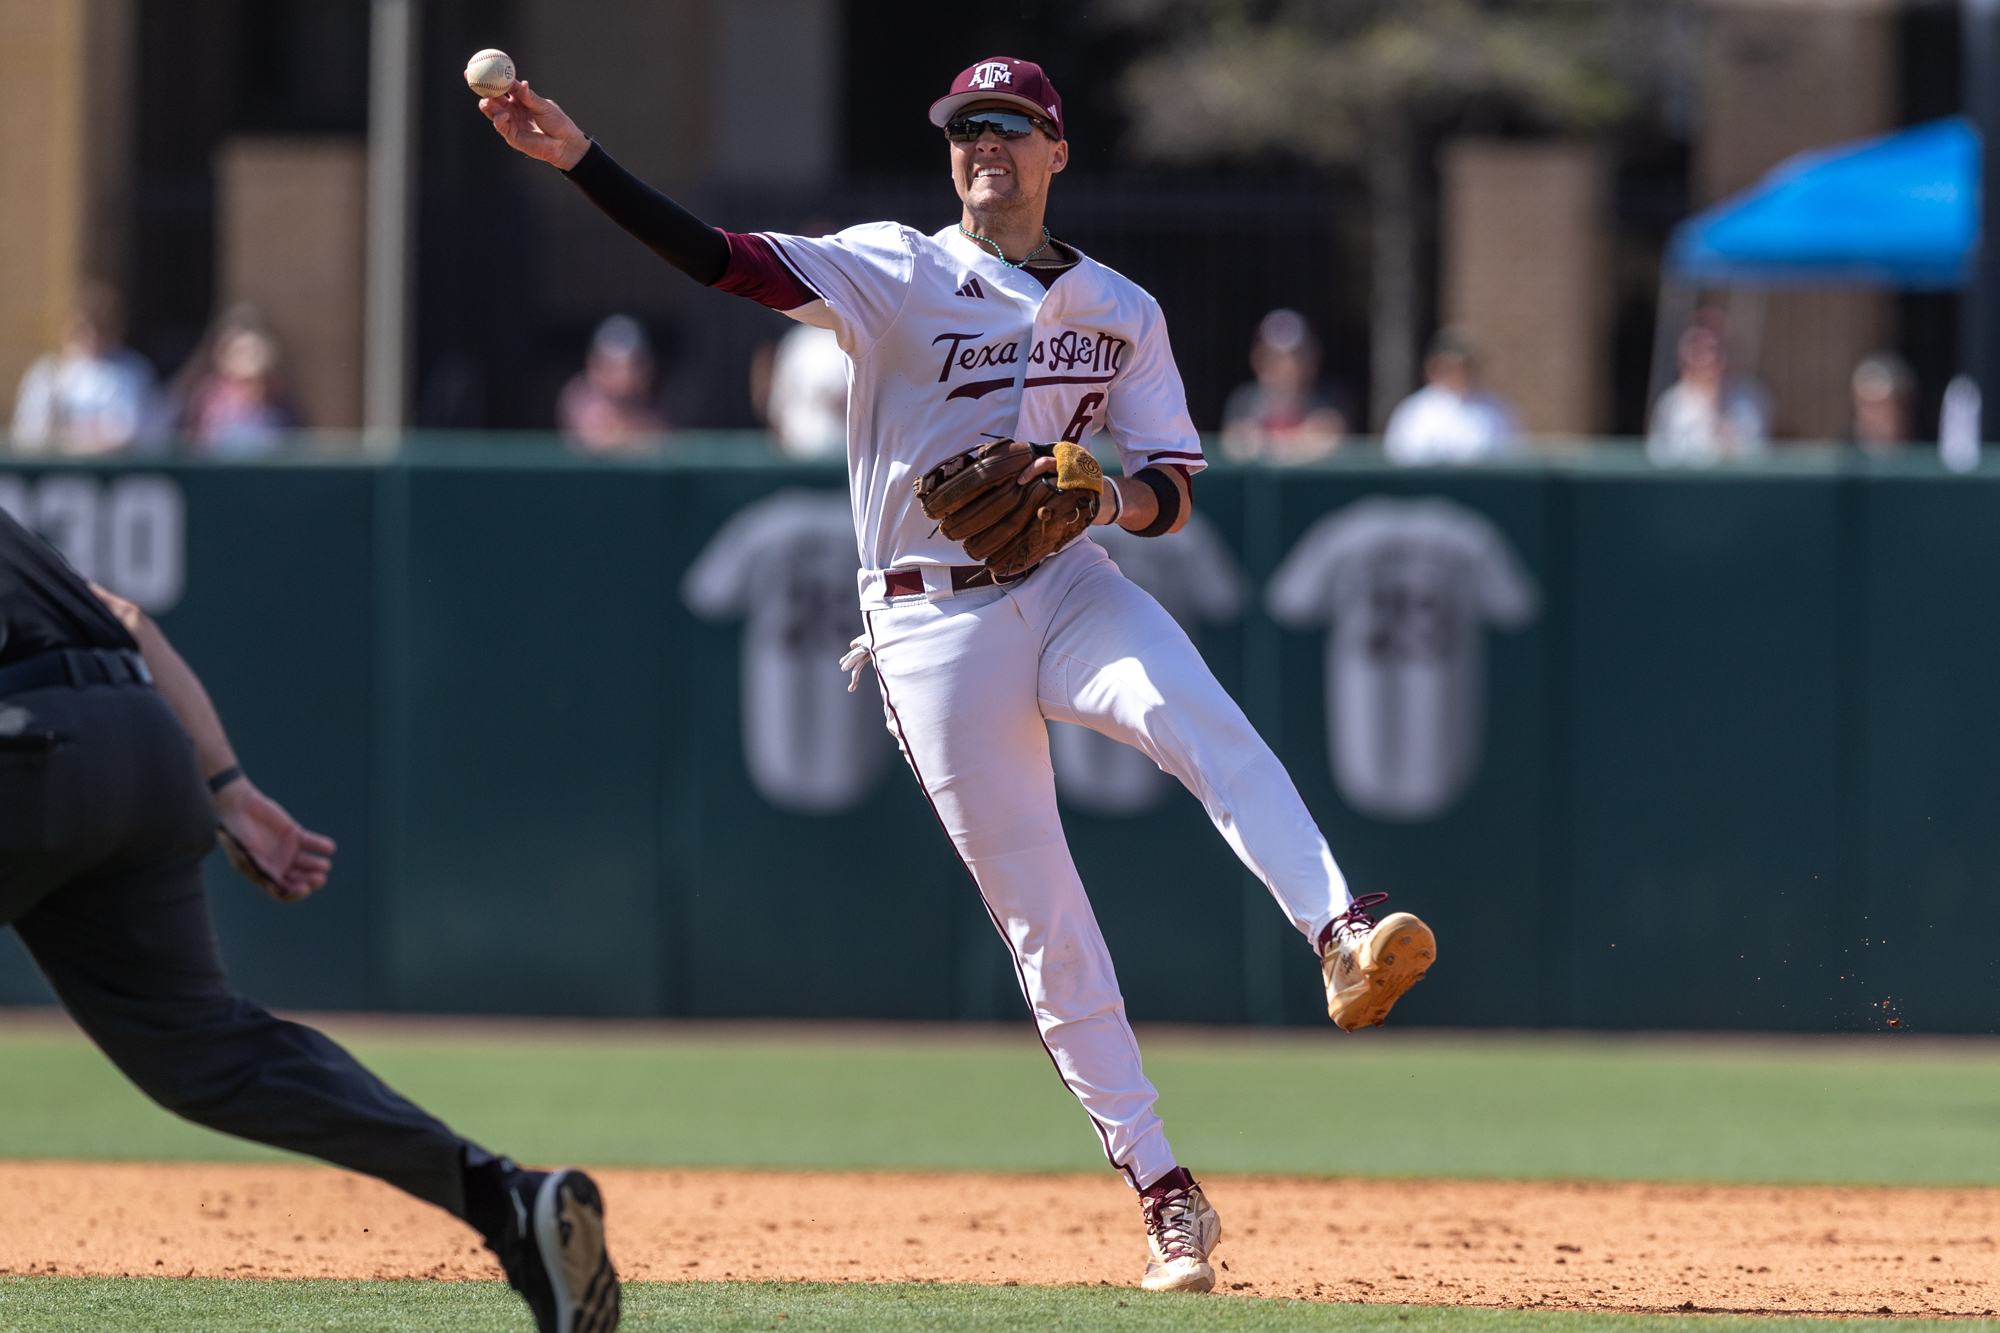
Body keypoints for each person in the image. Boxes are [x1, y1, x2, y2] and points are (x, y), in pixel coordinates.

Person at [479, 54, 1437, 1295]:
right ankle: (1164, 1193)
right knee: (1045, 916)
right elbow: (725, 259)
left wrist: (1111, 494)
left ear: (1055, 151)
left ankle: (1341, 933)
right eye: (965, 128)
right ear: (950, 155)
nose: (984, 143)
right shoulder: (895, 266)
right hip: (927, 624)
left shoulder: (1119, 308)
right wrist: (580, 163)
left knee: (1202, 717)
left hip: (1066, 580)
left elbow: (1172, 490)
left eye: (1009, 126)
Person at [0, 510, 620, 1332]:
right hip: (148, 742)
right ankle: (507, 1201)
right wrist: (228, 789)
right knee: (209, 1048)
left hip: (28, 744)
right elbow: (129, 619)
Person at [10, 284, 161, 457]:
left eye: (100, 327)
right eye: (83, 328)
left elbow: (124, 435)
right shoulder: (47, 373)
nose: (91, 336)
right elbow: (28, 435)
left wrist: (66, 437)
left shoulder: (132, 371)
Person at [1219, 309, 1346, 462]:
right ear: (1257, 358)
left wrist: (1265, 444)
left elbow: (1328, 436)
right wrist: (1296, 442)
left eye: (1295, 356)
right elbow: (1234, 443)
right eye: (1273, 356)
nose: (1285, 365)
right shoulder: (1245, 399)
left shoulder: (1329, 397)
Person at [1382, 327, 1519, 465]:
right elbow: (1398, 458)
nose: (1458, 373)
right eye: (1449, 365)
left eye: (1465, 366)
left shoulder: (1496, 411)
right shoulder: (1415, 411)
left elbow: (1510, 458)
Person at [1647, 314, 1769, 467]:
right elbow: (1660, 456)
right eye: (1700, 350)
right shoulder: (1672, 401)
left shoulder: (1751, 396)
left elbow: (1754, 453)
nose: (1710, 358)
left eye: (1716, 349)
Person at [181, 310, 300, 457]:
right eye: (240, 352)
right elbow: (191, 448)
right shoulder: (207, 401)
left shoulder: (282, 402)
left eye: (254, 352)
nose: (248, 360)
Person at [557, 315, 669, 454]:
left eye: (633, 366)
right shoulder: (579, 393)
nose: (624, 375)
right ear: (593, 363)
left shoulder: (650, 400)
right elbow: (597, 438)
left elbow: (664, 442)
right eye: (612, 366)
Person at [763, 322, 850, 459]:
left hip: (839, 456)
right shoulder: (797, 340)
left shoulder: (847, 340)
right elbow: (777, 405)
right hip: (797, 454)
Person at [1850, 351, 1915, 451]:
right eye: (1866, 405)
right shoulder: (1843, 455)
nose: (1872, 416)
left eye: (1879, 405)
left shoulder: (1929, 448)